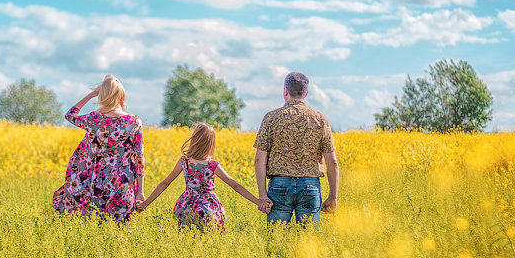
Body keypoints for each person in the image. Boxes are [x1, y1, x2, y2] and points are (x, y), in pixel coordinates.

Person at [136, 122, 265, 230]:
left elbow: (164, 183)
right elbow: (235, 185)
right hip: (208, 208)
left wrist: (145, 204)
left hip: (185, 207)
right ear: (211, 143)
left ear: (194, 140)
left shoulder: (184, 161)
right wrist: (258, 201)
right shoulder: (212, 165)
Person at [52, 75, 145, 223]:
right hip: (123, 186)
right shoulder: (134, 122)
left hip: (96, 185)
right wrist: (140, 191)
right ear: (122, 96)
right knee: (122, 233)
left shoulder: (94, 119)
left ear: (102, 95)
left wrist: (91, 94)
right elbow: (139, 159)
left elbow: (70, 115)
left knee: (96, 230)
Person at [254, 72, 339, 224]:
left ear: (285, 91)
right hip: (310, 186)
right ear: (306, 93)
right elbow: (332, 162)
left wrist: (262, 195)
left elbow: (259, 158)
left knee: (277, 239)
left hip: (279, 185)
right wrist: (333, 197)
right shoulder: (320, 119)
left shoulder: (271, 118)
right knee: (308, 242)